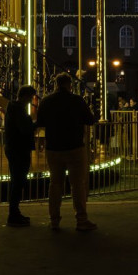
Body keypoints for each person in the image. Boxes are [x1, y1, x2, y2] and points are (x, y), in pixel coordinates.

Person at [36, 73, 99, 232]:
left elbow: (41, 122)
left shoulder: (46, 101)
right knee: (77, 185)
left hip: (54, 148)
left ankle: (54, 220)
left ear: (56, 84)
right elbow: (90, 120)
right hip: (74, 147)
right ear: (69, 84)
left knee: (55, 184)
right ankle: (81, 220)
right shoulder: (77, 100)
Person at [4, 85, 38, 227]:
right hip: (18, 148)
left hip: (14, 147)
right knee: (18, 181)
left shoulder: (14, 107)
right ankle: (13, 214)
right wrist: (36, 124)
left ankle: (15, 212)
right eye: (30, 97)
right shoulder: (18, 109)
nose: (31, 100)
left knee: (17, 180)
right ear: (25, 96)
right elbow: (25, 129)